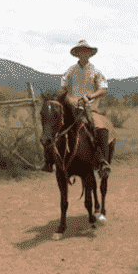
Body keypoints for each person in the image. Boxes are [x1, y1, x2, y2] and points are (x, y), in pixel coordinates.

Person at [41, 40, 113, 178]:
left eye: (86, 51)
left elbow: (103, 89)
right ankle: (49, 161)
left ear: (90, 54)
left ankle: (102, 161)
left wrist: (90, 96)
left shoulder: (96, 72)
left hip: (89, 108)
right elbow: (63, 89)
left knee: (100, 127)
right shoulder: (70, 71)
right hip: (71, 108)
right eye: (81, 51)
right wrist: (69, 99)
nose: (83, 53)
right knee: (54, 126)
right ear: (77, 54)